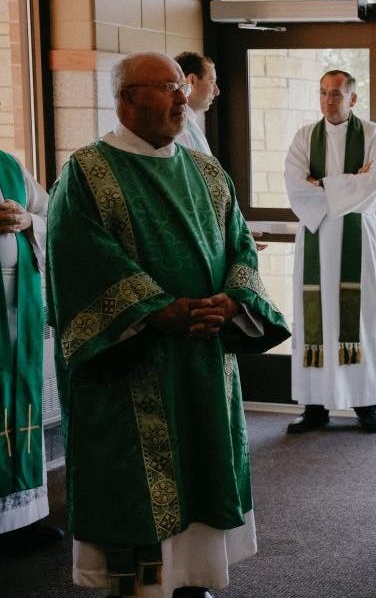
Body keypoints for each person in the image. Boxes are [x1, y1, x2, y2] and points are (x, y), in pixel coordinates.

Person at [47, 51, 289, 598]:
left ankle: (194, 579)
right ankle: (141, 585)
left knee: (201, 470)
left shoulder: (205, 170)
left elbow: (239, 244)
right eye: (167, 87)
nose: (183, 97)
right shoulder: (87, 172)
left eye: (182, 86)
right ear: (127, 99)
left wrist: (232, 299)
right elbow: (78, 258)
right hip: (134, 365)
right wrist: (158, 311)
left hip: (203, 360)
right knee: (138, 487)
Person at [283, 70, 376, 434]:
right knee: (316, 321)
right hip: (316, 236)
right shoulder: (303, 138)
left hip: (358, 242)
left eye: (337, 94)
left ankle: (367, 404)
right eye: (324, 93)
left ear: (353, 99)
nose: (330, 100)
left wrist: (322, 184)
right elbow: (296, 188)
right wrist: (346, 186)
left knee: (360, 319)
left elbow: (373, 187)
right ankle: (314, 406)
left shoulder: (373, 135)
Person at [0, 156, 60, 553]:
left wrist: (26, 222)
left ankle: (23, 519)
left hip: (17, 306)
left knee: (22, 402)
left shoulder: (8, 166)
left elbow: (51, 211)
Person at [173, 52, 219, 157]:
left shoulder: (188, 122)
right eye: (212, 82)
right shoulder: (179, 130)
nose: (217, 91)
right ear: (192, 81)